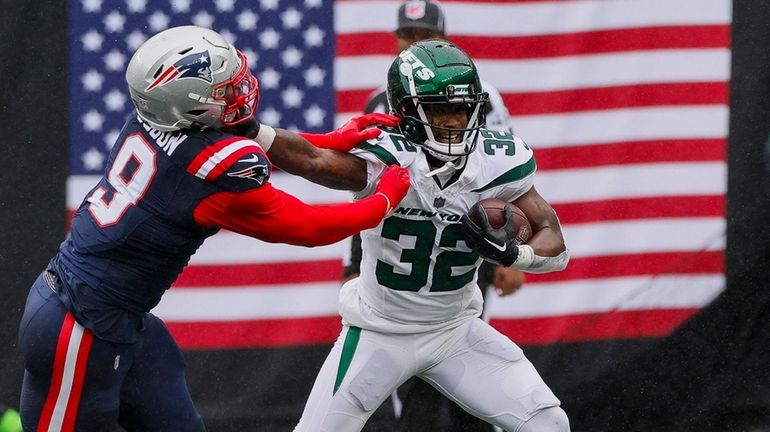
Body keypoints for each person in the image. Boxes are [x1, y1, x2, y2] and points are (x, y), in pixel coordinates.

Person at [17, 25, 410, 432]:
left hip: (118, 318)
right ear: (188, 104)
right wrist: (383, 200)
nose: (238, 92)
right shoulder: (210, 168)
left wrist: (332, 139)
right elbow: (309, 227)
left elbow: (258, 141)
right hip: (77, 327)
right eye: (224, 89)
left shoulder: (156, 121)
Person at [291, 39, 571, 432]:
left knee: (548, 423)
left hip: (454, 331)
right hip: (379, 332)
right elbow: (309, 159)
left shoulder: (496, 164)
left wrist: (514, 254)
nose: (454, 121)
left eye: (461, 109)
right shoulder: (384, 160)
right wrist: (253, 132)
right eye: (440, 110)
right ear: (405, 112)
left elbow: (555, 245)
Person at [342, 1, 524, 429]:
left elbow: (506, 179)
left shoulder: (481, 97)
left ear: (444, 40)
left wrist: (513, 254)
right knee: (403, 381)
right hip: (397, 252)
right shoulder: (380, 101)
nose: (415, 44)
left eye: (425, 37)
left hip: (462, 248)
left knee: (466, 373)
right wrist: (354, 265)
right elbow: (366, 193)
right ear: (396, 40)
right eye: (408, 36)